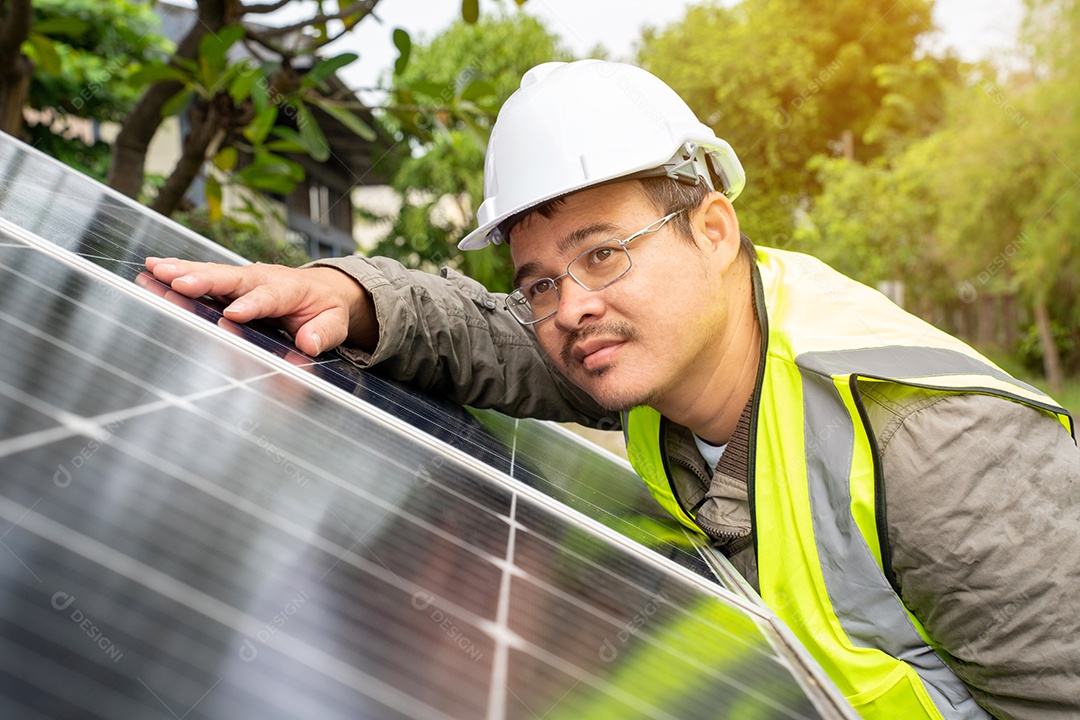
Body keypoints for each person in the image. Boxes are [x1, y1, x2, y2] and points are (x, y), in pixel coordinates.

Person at [144, 60, 1079, 720]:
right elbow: (487, 332)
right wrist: (351, 295)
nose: (570, 309)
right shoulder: (651, 354)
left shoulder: (939, 448)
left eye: (603, 254)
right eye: (542, 280)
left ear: (714, 230)